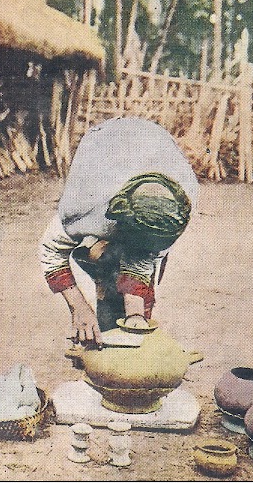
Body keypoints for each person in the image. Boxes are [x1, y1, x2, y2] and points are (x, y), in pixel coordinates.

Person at [39, 117, 199, 348]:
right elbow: (51, 251)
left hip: (154, 144)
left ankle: (126, 332)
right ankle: (98, 329)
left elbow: (144, 259)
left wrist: (135, 317)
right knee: (106, 263)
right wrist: (78, 307)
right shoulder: (85, 207)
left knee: (138, 300)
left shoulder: (179, 204)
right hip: (104, 146)